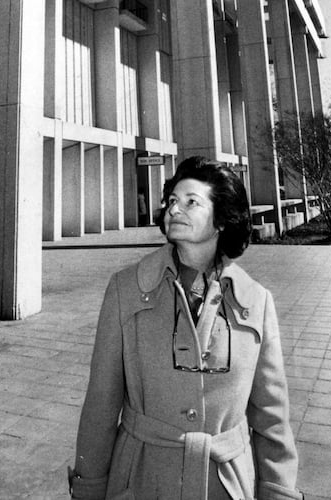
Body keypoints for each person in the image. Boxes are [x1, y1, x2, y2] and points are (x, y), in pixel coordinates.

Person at [69, 156, 303, 500]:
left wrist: (278, 491)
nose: (175, 209)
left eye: (191, 202)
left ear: (222, 219)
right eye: (172, 202)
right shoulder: (125, 289)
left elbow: (271, 416)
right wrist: (88, 489)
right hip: (141, 480)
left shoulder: (257, 301)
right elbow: (100, 405)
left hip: (225, 485)